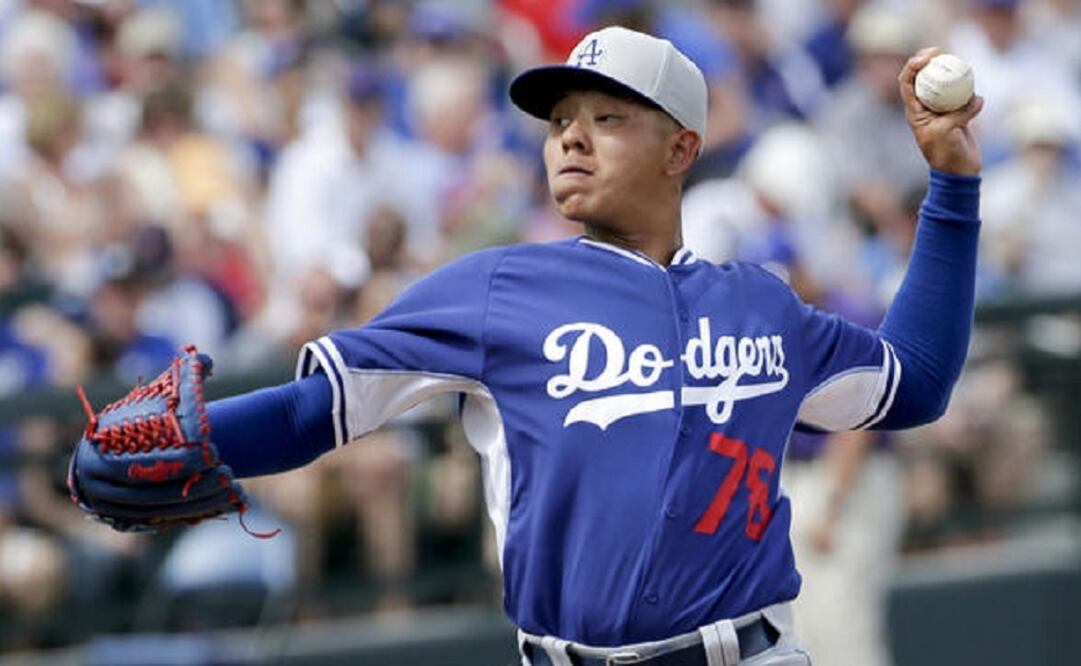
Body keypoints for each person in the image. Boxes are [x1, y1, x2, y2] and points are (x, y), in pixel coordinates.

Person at [69, 27, 984, 665]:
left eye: (608, 116)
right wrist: (193, 443)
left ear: (681, 150)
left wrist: (949, 189)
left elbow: (917, 382)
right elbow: (317, 410)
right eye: (557, 122)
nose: (570, 138)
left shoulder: (761, 305)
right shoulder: (495, 288)